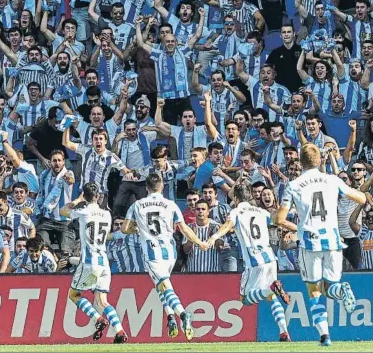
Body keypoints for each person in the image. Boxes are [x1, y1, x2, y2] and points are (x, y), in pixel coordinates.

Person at [276, 143, 369, 346]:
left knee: (314, 290)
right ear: (319, 161)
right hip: (334, 240)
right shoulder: (332, 180)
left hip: (310, 242)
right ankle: (342, 289)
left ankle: (325, 335)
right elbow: (360, 198)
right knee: (330, 287)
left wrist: (297, 225)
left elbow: (279, 219)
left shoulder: (294, 185)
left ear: (300, 162)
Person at [205, 183, 296, 342]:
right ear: (250, 196)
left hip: (254, 262)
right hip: (270, 259)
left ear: (235, 198)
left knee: (245, 299)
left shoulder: (236, 211)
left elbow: (227, 225)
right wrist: (299, 229)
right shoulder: (261, 211)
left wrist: (213, 237)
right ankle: (284, 333)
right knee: (271, 298)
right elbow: (280, 221)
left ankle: (271, 288)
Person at [122, 173, 207, 340]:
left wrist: (138, 229)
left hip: (152, 252)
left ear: (146, 187)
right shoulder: (170, 205)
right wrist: (199, 242)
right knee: (160, 285)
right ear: (161, 186)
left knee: (164, 286)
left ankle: (182, 314)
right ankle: (170, 317)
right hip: (170, 252)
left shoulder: (138, 205)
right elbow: (184, 229)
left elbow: (125, 228)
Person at [60, 182, 128, 344]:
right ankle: (119, 331)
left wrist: (77, 200)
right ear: (98, 196)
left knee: (74, 295)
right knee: (102, 300)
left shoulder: (82, 212)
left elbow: (63, 211)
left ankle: (98, 319)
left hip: (89, 262)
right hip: (104, 262)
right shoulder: (106, 214)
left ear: (85, 196)